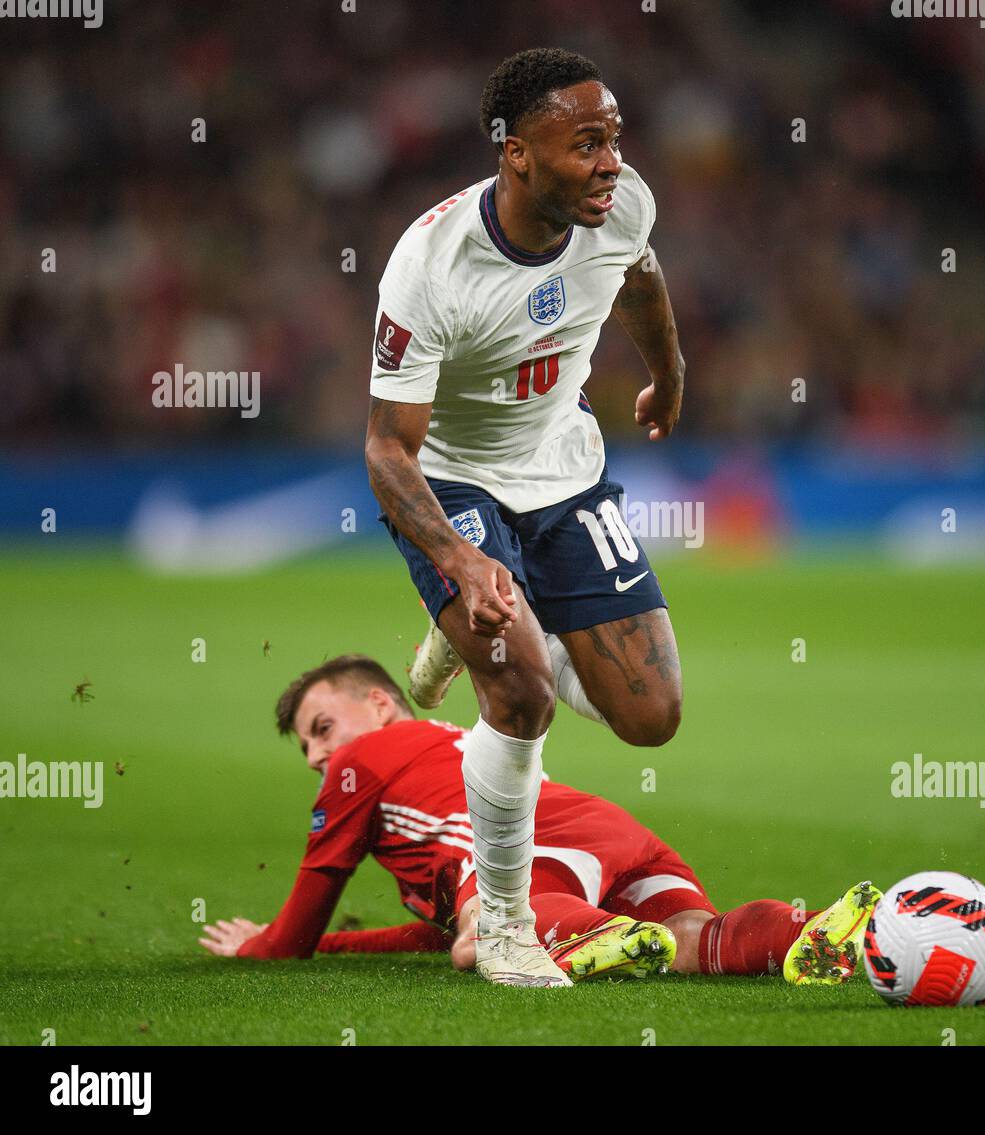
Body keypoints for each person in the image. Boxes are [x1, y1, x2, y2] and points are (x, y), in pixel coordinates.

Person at [363, 47, 688, 987]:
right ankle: (505, 926)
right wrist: (462, 560)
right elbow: (388, 449)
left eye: (615, 138)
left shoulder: (621, 205)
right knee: (521, 694)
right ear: (517, 155)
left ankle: (460, 635)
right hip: (455, 480)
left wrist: (668, 374)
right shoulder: (429, 267)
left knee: (653, 717)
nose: (609, 162)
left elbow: (638, 276)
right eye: (585, 143)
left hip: (564, 469)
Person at [200, 656, 881, 986]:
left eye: (322, 728)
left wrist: (260, 945)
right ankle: (810, 929)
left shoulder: (367, 762)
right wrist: (343, 946)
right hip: (604, 834)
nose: (319, 755)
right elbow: (430, 932)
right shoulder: (434, 760)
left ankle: (611, 935)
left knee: (483, 937)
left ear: (381, 705)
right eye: (307, 748)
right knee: (696, 938)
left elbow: (299, 922)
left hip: (532, 846)